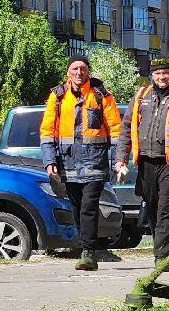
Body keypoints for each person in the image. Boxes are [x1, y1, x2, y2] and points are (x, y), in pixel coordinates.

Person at [115, 56, 169, 267]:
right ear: (152, 75)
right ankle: (162, 245)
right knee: (152, 207)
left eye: (166, 73)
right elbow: (126, 129)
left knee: (166, 207)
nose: (162, 77)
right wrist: (121, 159)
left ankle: (161, 257)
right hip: (146, 161)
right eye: (157, 73)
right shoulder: (141, 96)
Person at [40, 56, 122, 271]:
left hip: (94, 162)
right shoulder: (57, 96)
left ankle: (88, 252)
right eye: (75, 68)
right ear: (68, 72)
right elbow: (47, 132)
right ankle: (85, 246)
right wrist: (49, 161)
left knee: (89, 207)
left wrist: (119, 159)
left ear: (88, 72)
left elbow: (115, 129)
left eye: (83, 68)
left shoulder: (101, 95)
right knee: (76, 207)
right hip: (67, 163)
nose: (79, 72)